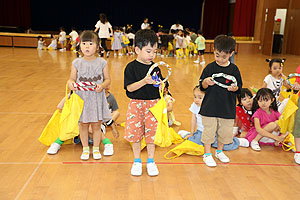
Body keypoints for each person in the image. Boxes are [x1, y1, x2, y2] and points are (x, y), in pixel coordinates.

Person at [198, 34, 242, 167]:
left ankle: (219, 151)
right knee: (209, 131)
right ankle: (207, 154)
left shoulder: (234, 69)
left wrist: (234, 89)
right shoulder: (210, 68)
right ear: (214, 50)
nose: (220, 59)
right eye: (217, 55)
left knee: (224, 131)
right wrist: (206, 82)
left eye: (224, 56)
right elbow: (201, 86)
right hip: (210, 107)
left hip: (227, 108)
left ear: (231, 54)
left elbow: (239, 87)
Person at [124, 29, 162, 176]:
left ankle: (151, 161)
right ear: (137, 50)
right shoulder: (131, 67)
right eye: (148, 51)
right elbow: (130, 88)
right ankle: (137, 161)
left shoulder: (156, 67)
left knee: (152, 135)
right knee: (135, 134)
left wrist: (162, 87)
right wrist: (144, 81)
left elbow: (161, 85)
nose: (152, 55)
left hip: (153, 105)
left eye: (154, 51)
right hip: (136, 105)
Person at [68, 30, 111, 160]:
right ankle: (86, 148)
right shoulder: (76, 63)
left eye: (91, 43)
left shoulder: (102, 62)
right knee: (83, 125)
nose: (87, 46)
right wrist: (71, 84)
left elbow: (107, 80)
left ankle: (96, 148)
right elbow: (71, 79)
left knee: (96, 125)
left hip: (97, 98)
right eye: (84, 43)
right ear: (79, 45)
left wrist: (102, 86)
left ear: (97, 46)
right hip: (82, 99)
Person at [178, 86, 249, 149]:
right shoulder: (195, 105)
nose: (196, 100)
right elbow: (193, 120)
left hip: (214, 133)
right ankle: (187, 134)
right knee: (196, 142)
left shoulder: (212, 106)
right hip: (201, 132)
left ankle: (237, 141)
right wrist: (191, 133)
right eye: (195, 96)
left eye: (200, 97)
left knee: (223, 145)